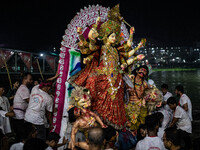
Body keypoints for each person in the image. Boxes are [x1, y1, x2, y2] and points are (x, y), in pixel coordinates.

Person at [68, 5, 145, 130]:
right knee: (92, 81)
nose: (114, 38)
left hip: (116, 78)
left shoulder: (116, 50)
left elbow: (126, 53)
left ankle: (115, 124)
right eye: (112, 36)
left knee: (119, 92)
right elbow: (90, 48)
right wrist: (85, 34)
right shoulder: (101, 48)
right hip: (103, 75)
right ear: (106, 37)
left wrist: (135, 50)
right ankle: (93, 114)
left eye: (115, 36)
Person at [124, 65, 149, 131]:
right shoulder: (130, 79)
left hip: (139, 105)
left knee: (140, 125)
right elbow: (124, 90)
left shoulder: (145, 84)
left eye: (145, 71)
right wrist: (128, 90)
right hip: (128, 105)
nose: (142, 72)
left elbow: (149, 94)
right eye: (141, 69)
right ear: (137, 70)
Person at [12, 72, 32, 142]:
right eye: (30, 79)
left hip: (19, 116)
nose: (31, 81)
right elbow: (29, 101)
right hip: (19, 117)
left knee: (19, 136)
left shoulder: (23, 88)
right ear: (25, 79)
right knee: (21, 137)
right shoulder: (24, 88)